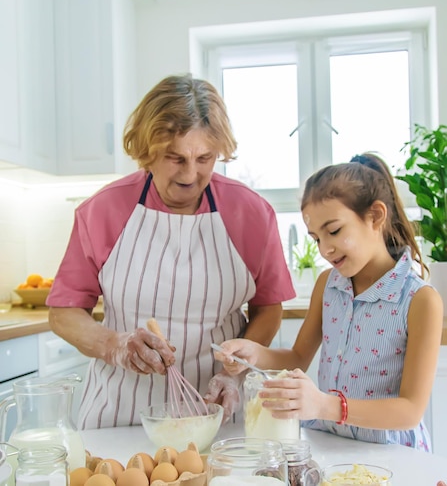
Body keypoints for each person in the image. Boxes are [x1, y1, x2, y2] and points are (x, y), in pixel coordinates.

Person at [47, 74, 295, 429]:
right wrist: (114, 344)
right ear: (147, 152)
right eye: (174, 158)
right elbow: (64, 313)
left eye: (205, 158)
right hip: (118, 415)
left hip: (217, 414)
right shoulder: (103, 210)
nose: (191, 175)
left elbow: (268, 308)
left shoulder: (251, 213)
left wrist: (233, 373)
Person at [214, 153, 443, 451]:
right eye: (316, 238)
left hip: (391, 452)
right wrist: (254, 353)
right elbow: (298, 357)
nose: (325, 248)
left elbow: (410, 411)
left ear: (375, 216)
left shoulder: (419, 300)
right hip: (330, 444)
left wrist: (325, 406)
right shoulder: (328, 284)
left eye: (334, 231)